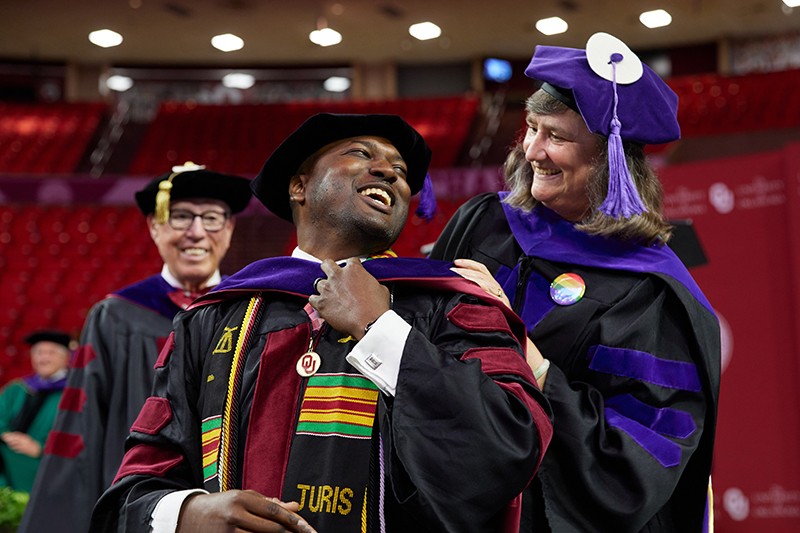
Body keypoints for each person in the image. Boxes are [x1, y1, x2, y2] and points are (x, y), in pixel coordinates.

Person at [91, 113, 553, 533]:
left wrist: (381, 328)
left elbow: (512, 442)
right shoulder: (210, 319)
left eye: (401, 170)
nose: (390, 171)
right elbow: (134, 489)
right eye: (360, 153)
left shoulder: (452, 305)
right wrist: (190, 512)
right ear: (299, 186)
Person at [430, 33, 720, 532]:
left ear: (610, 163)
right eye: (530, 127)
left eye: (556, 137)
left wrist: (526, 355)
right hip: (448, 498)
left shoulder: (648, 291)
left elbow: (633, 464)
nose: (532, 150)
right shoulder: (484, 222)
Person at [20, 165, 252, 533]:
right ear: (154, 227)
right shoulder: (115, 318)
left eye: (211, 217)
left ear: (229, 229)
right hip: (137, 510)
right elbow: (81, 430)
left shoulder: (250, 314)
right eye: (180, 217)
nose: (196, 232)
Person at [0, 330, 71, 492]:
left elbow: (81, 435)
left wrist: (40, 448)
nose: (44, 358)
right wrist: (7, 436)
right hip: (10, 454)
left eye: (51, 352)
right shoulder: (17, 388)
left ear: (66, 357)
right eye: (39, 352)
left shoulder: (75, 393)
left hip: (50, 463)